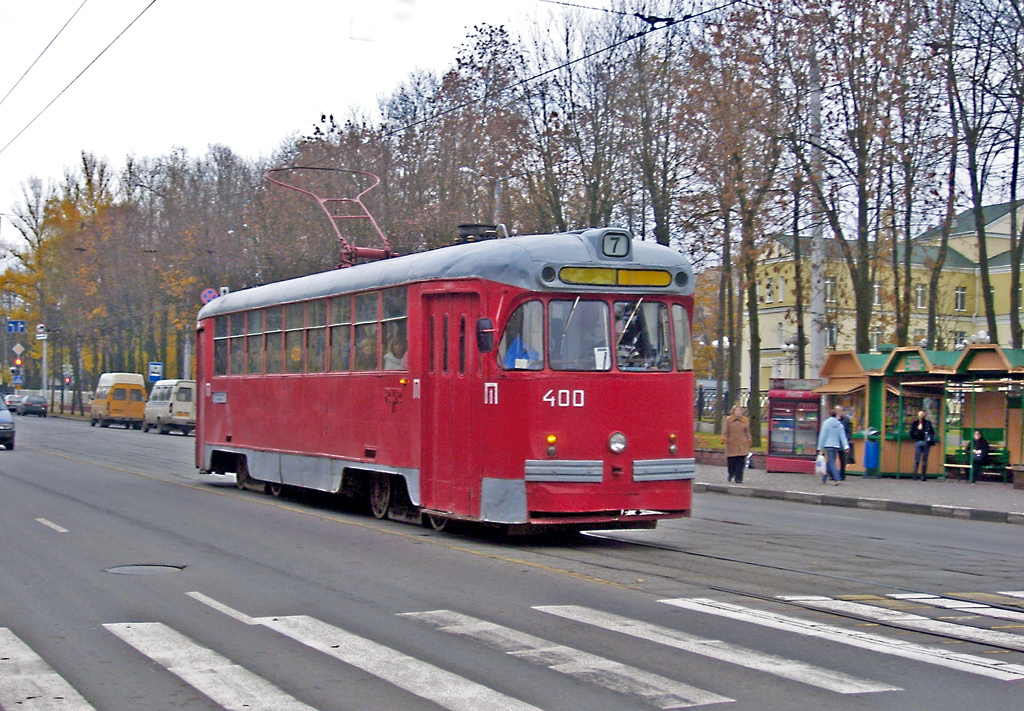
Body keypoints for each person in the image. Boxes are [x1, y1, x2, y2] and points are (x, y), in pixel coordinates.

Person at [817, 410, 850, 485]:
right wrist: (846, 446)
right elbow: (843, 436)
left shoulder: (826, 423)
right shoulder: (839, 424)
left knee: (831, 462)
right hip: (836, 445)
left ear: (829, 415)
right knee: (830, 461)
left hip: (828, 445)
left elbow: (823, 436)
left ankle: (837, 479)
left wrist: (820, 447)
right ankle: (824, 477)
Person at [723, 405, 752, 484]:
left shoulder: (745, 420)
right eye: (736, 410)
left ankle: (739, 478)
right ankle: (731, 473)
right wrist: (724, 439)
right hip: (732, 443)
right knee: (731, 461)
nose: (738, 412)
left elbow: (747, 431)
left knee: (741, 461)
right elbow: (725, 430)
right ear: (733, 412)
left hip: (742, 443)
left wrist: (749, 440)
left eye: (739, 410)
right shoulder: (728, 420)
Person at [908, 410, 936, 481]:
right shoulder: (927, 423)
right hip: (924, 442)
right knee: (923, 459)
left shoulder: (916, 423)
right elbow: (932, 432)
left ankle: (915, 475)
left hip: (919, 442)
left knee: (918, 459)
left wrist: (915, 437)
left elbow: (911, 432)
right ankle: (922, 475)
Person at [834, 405, 853, 480]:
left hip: (843, 442)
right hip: (834, 442)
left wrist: (847, 440)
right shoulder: (832, 419)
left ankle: (842, 474)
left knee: (843, 459)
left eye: (841, 410)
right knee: (833, 459)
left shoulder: (846, 419)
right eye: (838, 410)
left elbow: (849, 430)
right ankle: (833, 474)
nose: (840, 412)